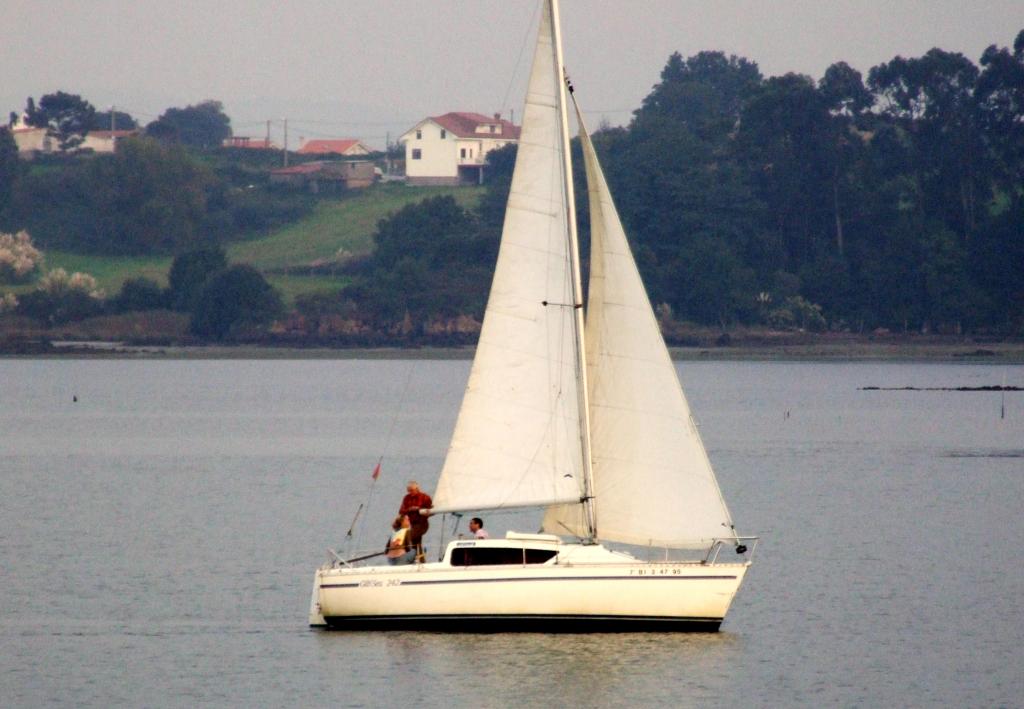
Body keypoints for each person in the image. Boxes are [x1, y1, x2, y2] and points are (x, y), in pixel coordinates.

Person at [399, 480, 432, 554]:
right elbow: (401, 512)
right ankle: (419, 559)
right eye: (408, 491)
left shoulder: (425, 497)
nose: (410, 493)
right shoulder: (406, 498)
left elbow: (431, 510)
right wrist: (409, 509)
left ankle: (412, 556)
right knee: (416, 542)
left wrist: (418, 509)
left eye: (411, 490)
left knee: (408, 538)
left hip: (422, 523)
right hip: (412, 524)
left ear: (417, 489)